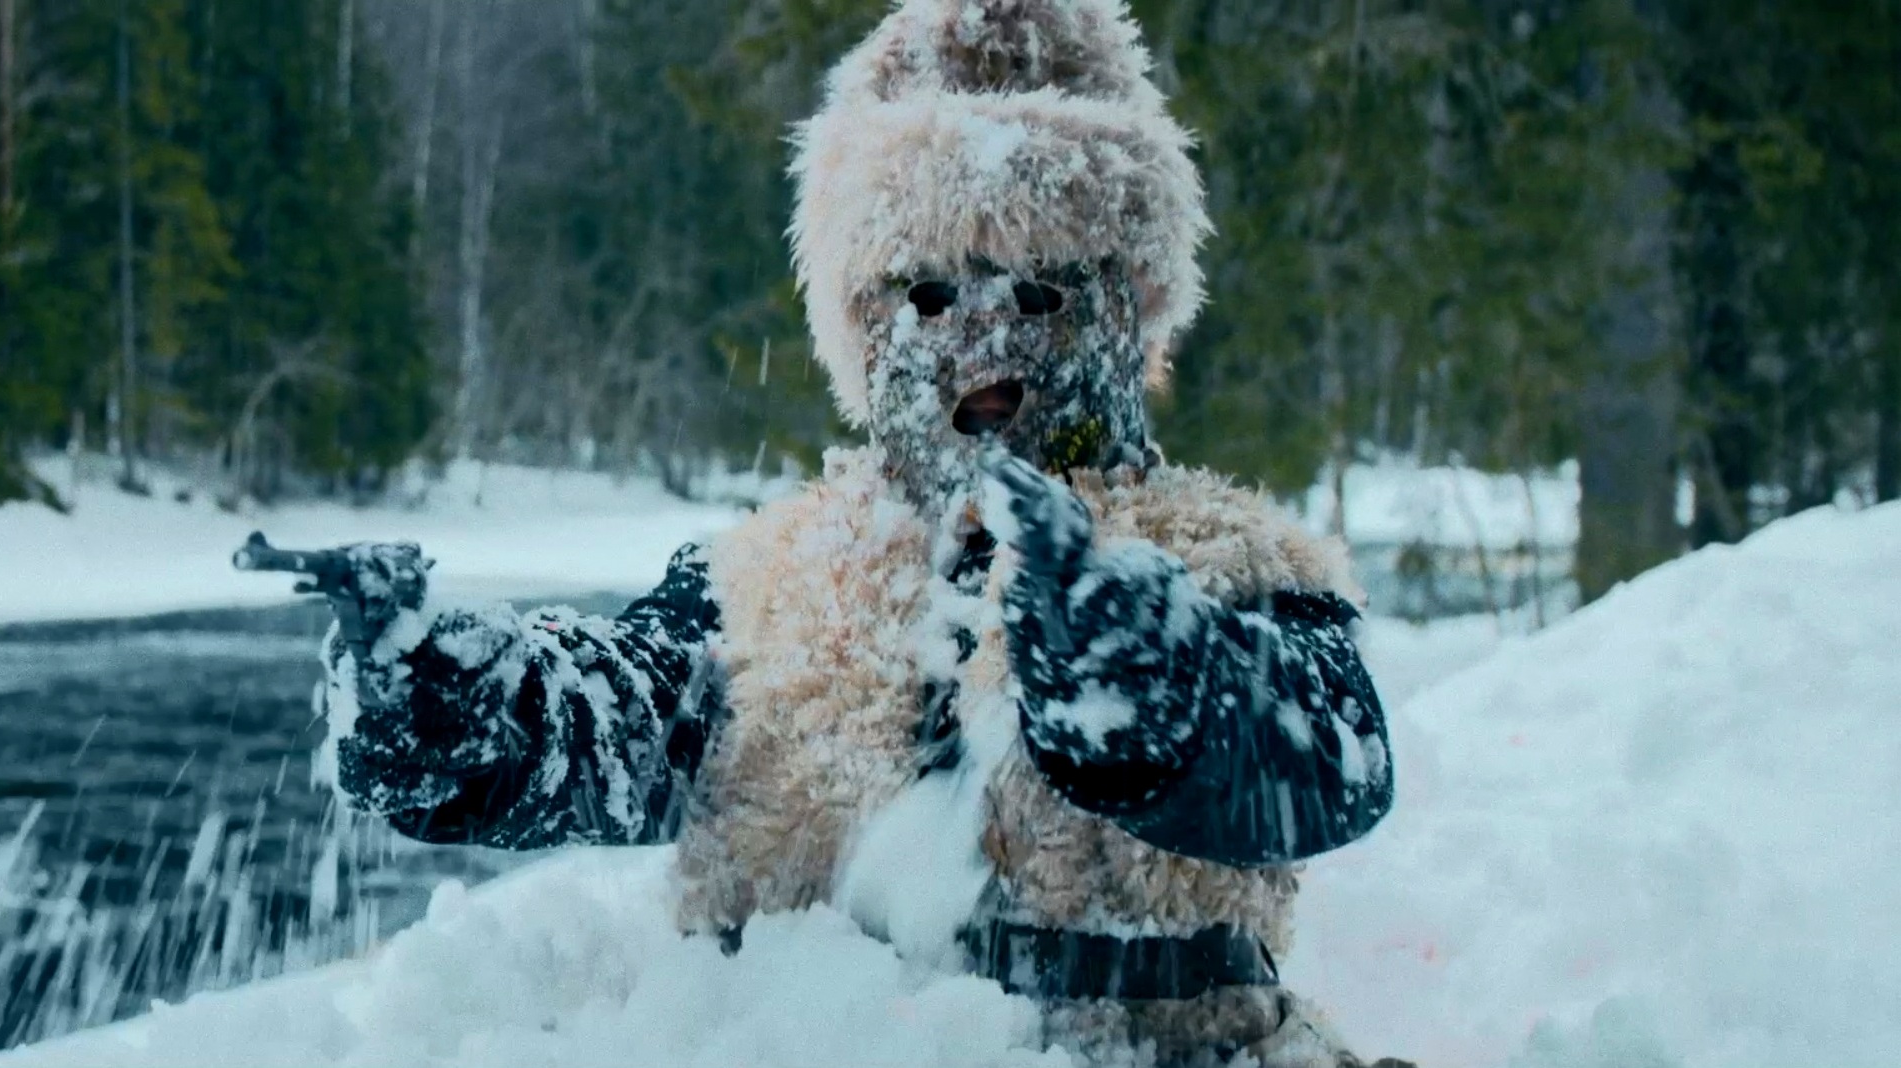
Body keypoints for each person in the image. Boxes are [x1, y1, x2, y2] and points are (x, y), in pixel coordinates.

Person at [281, 2, 1399, 1064]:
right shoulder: (774, 578)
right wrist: (455, 692)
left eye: (1041, 296)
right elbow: (615, 724)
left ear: (1122, 314)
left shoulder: (1224, 560)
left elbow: (1333, 761)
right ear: (866, 330)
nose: (985, 342)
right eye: (929, 298)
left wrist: (1147, 669)